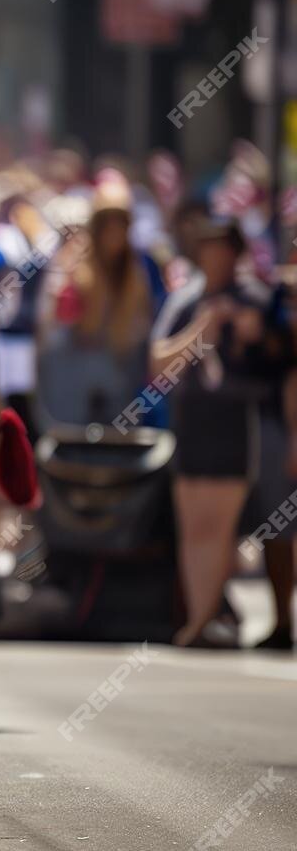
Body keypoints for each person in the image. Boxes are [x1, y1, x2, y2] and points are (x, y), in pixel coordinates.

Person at [151, 216, 291, 647]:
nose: (215, 256)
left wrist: (260, 334)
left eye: (222, 247)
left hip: (249, 425)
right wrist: (201, 331)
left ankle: (269, 620)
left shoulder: (260, 299)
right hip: (195, 422)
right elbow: (157, 365)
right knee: (196, 527)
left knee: (269, 527)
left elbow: (285, 358)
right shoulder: (186, 300)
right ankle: (201, 616)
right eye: (206, 246)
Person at [37, 184, 160, 427]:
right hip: (72, 378)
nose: (113, 231)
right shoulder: (73, 266)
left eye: (120, 223)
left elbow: (140, 329)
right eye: (107, 223)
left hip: (118, 379)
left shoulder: (135, 274)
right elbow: (53, 329)